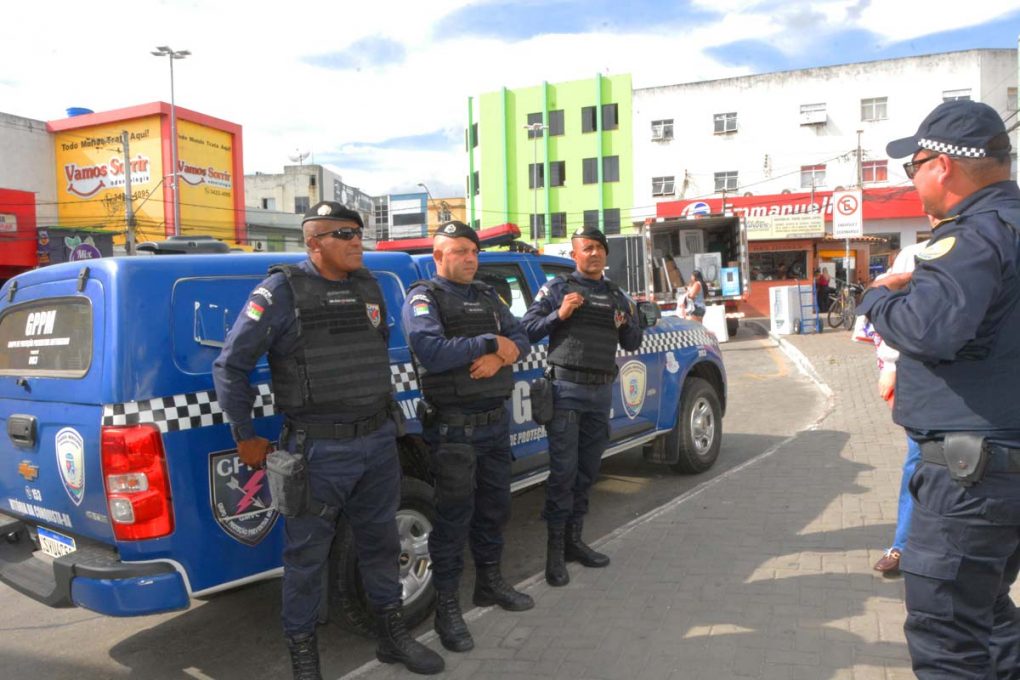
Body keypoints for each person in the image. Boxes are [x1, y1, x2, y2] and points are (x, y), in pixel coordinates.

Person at [212, 201, 443, 679]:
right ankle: (304, 659)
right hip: (318, 451)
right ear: (313, 243)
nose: (357, 239)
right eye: (343, 233)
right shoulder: (280, 291)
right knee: (305, 559)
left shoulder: (369, 285)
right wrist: (244, 435)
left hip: (378, 442)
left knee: (380, 544)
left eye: (358, 231)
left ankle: (392, 635)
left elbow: (372, 354)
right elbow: (230, 366)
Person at [857, 100, 1020, 679]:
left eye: (914, 165)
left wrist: (879, 295)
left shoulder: (971, 236)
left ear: (943, 167)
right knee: (989, 613)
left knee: (948, 637)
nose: (913, 178)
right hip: (1000, 467)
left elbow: (930, 329)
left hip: (971, 478)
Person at [401, 221, 534, 653]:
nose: (470, 258)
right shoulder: (424, 298)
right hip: (453, 431)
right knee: (453, 522)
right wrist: (489, 342)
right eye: (459, 251)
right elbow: (432, 352)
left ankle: (490, 584)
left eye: (473, 251)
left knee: (495, 510)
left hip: (495, 424)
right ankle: (446, 611)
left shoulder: (487, 295)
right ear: (438, 256)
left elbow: (520, 337)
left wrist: (496, 356)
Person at [522, 226, 644, 586]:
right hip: (565, 392)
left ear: (605, 254)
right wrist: (559, 314)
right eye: (585, 248)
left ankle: (575, 542)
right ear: (574, 255)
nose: (593, 253)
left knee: (588, 472)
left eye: (598, 248)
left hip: (600, 393)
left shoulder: (616, 295)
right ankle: (554, 556)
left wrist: (627, 322)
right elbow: (527, 329)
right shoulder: (558, 288)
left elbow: (633, 342)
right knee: (563, 474)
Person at [866, 239, 928, 577]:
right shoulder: (915, 255)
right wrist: (889, 365)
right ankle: (902, 546)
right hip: (922, 382)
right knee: (917, 465)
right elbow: (891, 313)